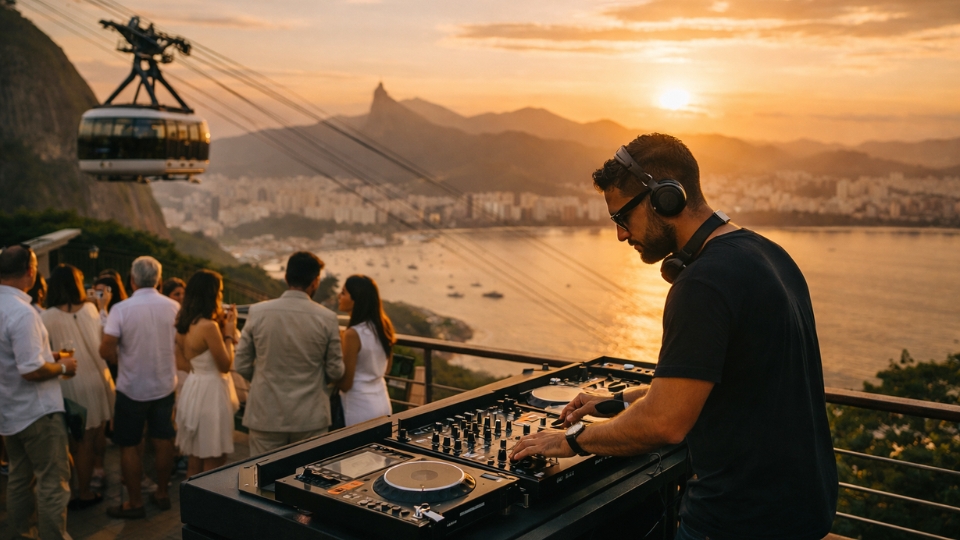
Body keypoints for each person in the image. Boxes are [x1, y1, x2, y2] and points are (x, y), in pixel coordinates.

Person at [510, 134, 838, 540]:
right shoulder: (767, 254)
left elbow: (666, 423)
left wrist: (571, 441)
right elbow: (716, 381)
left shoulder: (702, 284)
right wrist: (616, 401)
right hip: (804, 507)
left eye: (621, 218)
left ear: (664, 199)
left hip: (739, 519)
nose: (621, 235)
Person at [0, 244, 77, 539]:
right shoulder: (23, 312)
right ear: (31, 271)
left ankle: (22, 535)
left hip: (9, 410)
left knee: (20, 478)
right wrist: (63, 368)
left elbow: (12, 356)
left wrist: (49, 356)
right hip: (37, 413)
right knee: (53, 484)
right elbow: (30, 370)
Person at [235, 251, 345, 455]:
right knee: (305, 482)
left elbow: (240, 363)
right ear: (315, 282)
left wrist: (262, 378)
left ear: (286, 278)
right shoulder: (327, 318)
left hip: (265, 413)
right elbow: (336, 371)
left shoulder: (258, 312)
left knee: (261, 479)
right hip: (310, 416)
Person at [99, 256, 180, 518]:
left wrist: (120, 358)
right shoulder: (173, 307)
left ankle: (134, 503)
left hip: (131, 388)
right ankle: (162, 493)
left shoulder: (121, 309)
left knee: (130, 445)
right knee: (164, 441)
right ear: (158, 278)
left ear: (131, 280)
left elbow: (105, 349)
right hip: (164, 386)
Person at [41, 264, 116, 510]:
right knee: (94, 435)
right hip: (97, 379)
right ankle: (93, 478)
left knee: (76, 442)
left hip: (69, 383)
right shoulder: (91, 309)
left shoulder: (46, 316)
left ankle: (78, 492)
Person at [174, 270, 240, 477]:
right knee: (214, 457)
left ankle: (190, 505)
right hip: (212, 393)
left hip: (194, 387)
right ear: (211, 295)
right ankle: (209, 506)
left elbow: (182, 362)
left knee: (195, 456)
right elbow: (224, 365)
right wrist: (228, 333)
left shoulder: (184, 324)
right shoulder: (209, 327)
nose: (221, 296)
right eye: (219, 292)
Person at [336, 275, 394, 426]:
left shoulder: (352, 334)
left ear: (355, 299)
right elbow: (387, 368)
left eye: (343, 293)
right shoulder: (383, 327)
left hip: (358, 408)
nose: (339, 296)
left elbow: (346, 384)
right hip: (382, 403)